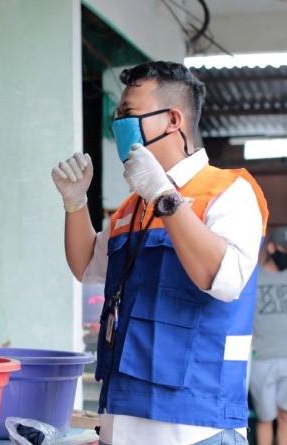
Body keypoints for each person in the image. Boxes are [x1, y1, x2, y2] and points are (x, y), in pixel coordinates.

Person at [51, 61, 268, 444]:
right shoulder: (133, 208)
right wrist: (75, 204)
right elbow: (86, 265)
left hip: (196, 427)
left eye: (129, 115)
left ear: (172, 119)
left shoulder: (229, 192)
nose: (119, 125)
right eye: (118, 116)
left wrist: (164, 196)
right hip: (122, 420)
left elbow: (221, 278)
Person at [251, 226, 287, 445]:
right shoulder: (253, 278)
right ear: (272, 248)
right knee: (265, 418)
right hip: (261, 359)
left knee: (285, 415)